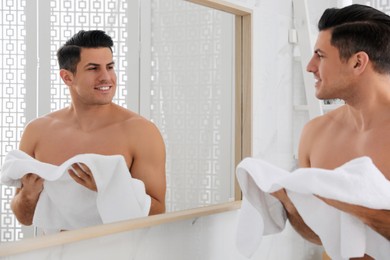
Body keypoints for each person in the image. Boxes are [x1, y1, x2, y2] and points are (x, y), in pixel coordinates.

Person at [11, 30, 166, 226]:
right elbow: (24, 218)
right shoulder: (37, 131)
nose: (106, 77)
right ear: (67, 78)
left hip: (116, 252)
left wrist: (111, 189)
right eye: (93, 68)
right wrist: (29, 195)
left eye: (110, 67)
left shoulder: (141, 132)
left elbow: (158, 214)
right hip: (55, 251)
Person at [272, 4, 390, 259]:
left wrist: (352, 206)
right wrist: (290, 203)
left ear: (358, 62)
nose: (310, 66)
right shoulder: (316, 133)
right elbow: (319, 232)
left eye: (320, 55)